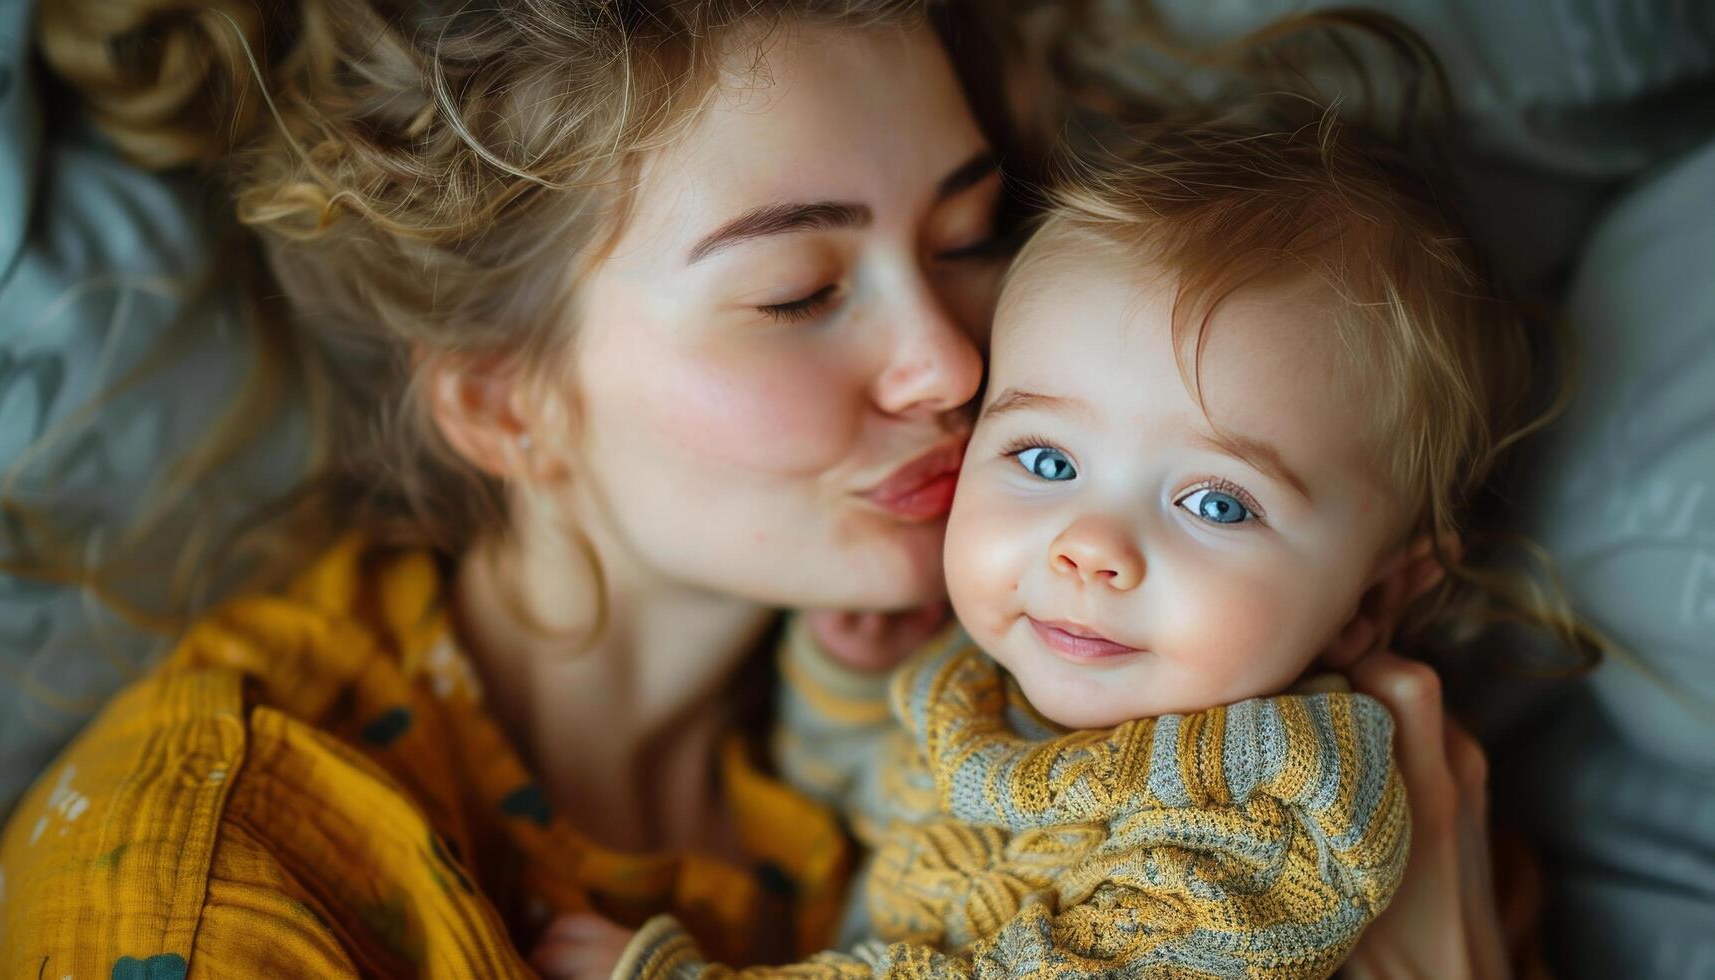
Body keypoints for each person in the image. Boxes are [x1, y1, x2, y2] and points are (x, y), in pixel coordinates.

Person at [0, 2, 1513, 978]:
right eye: (795, 290)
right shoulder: (221, 880)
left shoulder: (1073, 699)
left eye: (973, 237)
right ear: (505, 401)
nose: (953, 368)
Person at [543, 107, 1582, 979]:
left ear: (1367, 600)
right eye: (1044, 460)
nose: (1091, 544)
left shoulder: (1288, 807)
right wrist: (845, 688)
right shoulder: (968, 673)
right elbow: (866, 792)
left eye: (1218, 502)